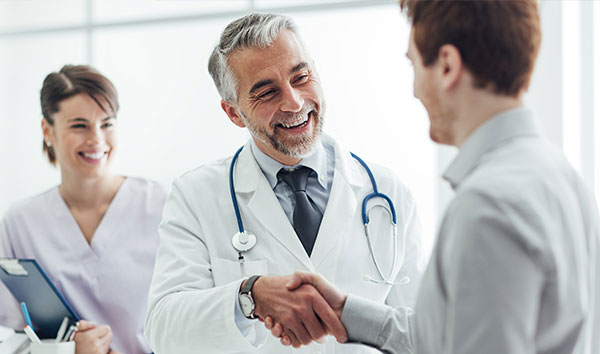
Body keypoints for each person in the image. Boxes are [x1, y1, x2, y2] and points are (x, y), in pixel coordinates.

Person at [266, 0, 600, 353]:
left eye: (413, 64)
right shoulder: (560, 175)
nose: (414, 89)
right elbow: (455, 333)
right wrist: (345, 312)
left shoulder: (487, 205)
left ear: (446, 66)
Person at [144, 13, 423, 354]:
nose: (293, 102)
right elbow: (162, 328)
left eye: (301, 77)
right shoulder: (196, 196)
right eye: (266, 92)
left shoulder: (387, 192)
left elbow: (420, 331)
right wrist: (249, 295)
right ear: (233, 112)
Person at [0, 64, 169, 354]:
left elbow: (191, 315)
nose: (96, 140)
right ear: (47, 130)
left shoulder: (160, 204)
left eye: (107, 124)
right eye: (79, 125)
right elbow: (14, 336)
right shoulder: (20, 222)